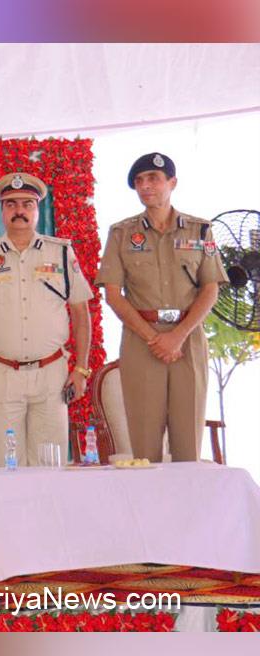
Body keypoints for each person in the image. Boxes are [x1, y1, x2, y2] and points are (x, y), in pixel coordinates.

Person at [95, 153, 226, 462]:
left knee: (188, 444)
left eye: (153, 179)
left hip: (188, 340)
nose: (145, 186)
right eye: (139, 182)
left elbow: (210, 290)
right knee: (144, 445)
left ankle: (188, 508)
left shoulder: (201, 230)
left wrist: (176, 337)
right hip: (142, 342)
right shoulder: (121, 233)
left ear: (172, 183)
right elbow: (113, 294)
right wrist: (155, 339)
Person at [0, 172, 93, 465]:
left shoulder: (61, 253)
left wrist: (80, 369)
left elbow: (80, 312)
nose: (19, 211)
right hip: (2, 375)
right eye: (11, 204)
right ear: (2, 211)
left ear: (37, 209)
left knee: (50, 465)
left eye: (27, 204)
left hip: (51, 373)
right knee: (7, 467)